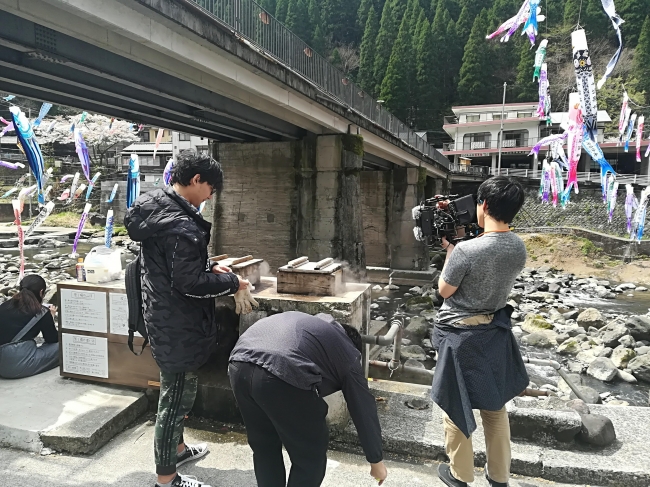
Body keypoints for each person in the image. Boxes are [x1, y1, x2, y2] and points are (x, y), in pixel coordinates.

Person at [125, 150, 249, 487]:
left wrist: (211, 267)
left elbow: (174, 268)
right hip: (176, 322)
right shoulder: (181, 224)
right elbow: (188, 283)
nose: (211, 195)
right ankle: (167, 480)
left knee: (184, 386)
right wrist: (234, 282)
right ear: (196, 180)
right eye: (211, 187)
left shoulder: (160, 208)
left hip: (164, 314)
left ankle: (177, 450)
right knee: (173, 396)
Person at [432, 176, 529, 487]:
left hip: (461, 337)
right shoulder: (518, 247)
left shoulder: (465, 251)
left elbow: (445, 290)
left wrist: (451, 250)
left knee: (455, 405)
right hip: (493, 331)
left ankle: (460, 475)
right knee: (494, 407)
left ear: (485, 205)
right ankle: (499, 477)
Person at [229, 311, 388, 487]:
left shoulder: (314, 326)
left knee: (264, 448)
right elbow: (363, 408)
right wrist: (376, 461)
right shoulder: (347, 352)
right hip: (282, 371)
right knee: (310, 458)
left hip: (239, 365)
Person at [0, 275, 58, 379]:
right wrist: (50, 318)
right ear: (41, 292)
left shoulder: (4, 306)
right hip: (16, 366)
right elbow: (52, 339)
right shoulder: (41, 312)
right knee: (64, 346)